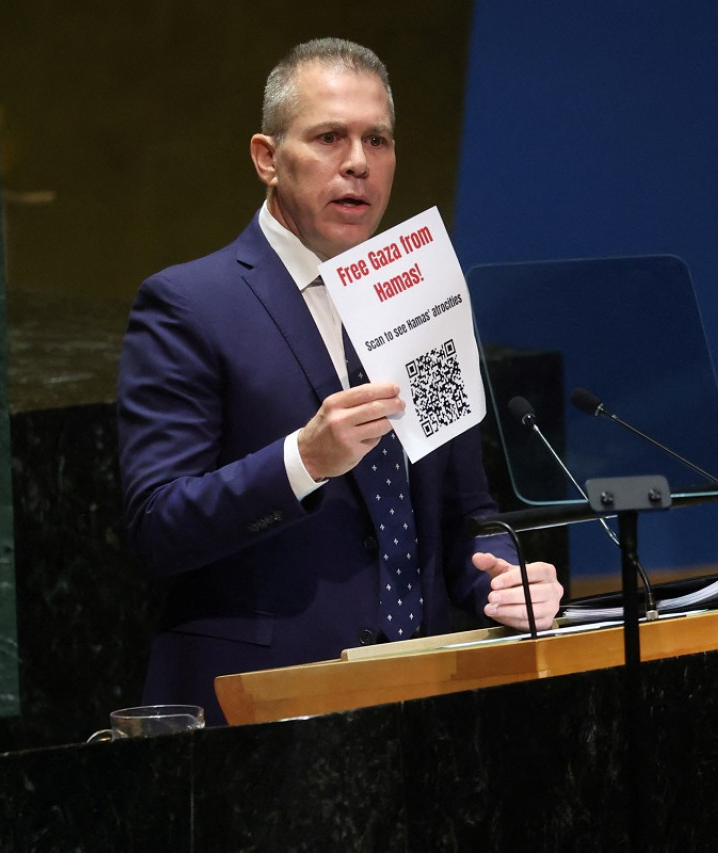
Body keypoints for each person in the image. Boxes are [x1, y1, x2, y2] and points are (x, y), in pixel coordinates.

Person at [116, 38, 562, 723]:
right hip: (264, 708)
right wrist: (305, 460)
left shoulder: (422, 298)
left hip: (425, 699)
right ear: (267, 157)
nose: (358, 162)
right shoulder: (189, 304)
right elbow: (158, 526)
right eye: (330, 137)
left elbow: (470, 510)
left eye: (377, 140)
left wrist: (503, 576)